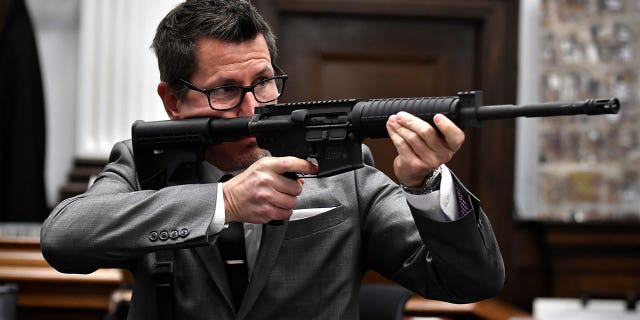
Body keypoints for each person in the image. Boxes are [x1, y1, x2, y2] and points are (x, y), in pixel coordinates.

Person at [40, 1, 504, 319]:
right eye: (225, 90)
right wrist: (223, 203)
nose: (253, 108)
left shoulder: (346, 173)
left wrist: (425, 186)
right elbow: (64, 238)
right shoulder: (145, 166)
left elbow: (471, 281)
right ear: (172, 101)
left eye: (263, 82)